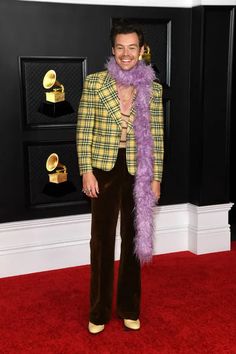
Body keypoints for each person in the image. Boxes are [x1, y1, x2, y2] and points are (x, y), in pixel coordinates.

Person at [77, 19, 164, 334]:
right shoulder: (95, 83)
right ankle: (98, 311)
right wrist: (86, 170)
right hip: (103, 168)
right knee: (101, 241)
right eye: (120, 48)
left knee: (133, 239)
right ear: (112, 50)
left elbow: (157, 135)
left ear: (142, 51)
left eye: (132, 48)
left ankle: (129, 307)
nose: (126, 54)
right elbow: (84, 130)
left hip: (138, 170)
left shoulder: (151, 87)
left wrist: (156, 177)